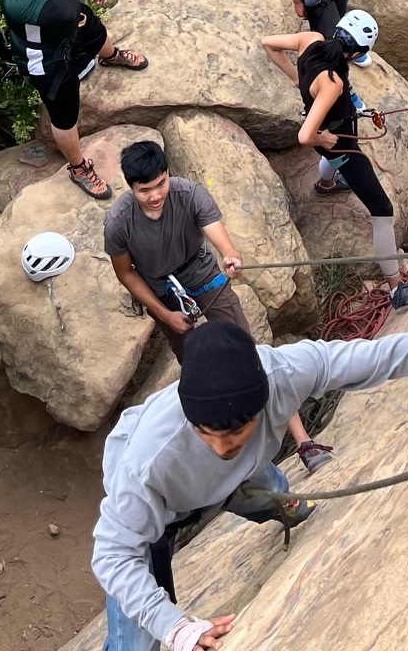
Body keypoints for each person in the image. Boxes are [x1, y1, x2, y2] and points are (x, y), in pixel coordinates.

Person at [94, 320, 408, 651]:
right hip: (161, 511)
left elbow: (374, 357)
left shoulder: (285, 374)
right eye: (206, 434)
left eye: (233, 432)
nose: (220, 446)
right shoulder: (146, 462)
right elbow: (113, 555)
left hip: (243, 477)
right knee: (137, 641)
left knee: (263, 486)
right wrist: (174, 626)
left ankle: (282, 503)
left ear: (262, 403)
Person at [104, 140, 332, 476]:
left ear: (168, 174)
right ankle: (241, 458)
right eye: (144, 190)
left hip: (202, 274)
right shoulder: (119, 222)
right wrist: (165, 315)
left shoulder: (188, 194)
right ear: (131, 187)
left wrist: (230, 255)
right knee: (200, 370)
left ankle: (303, 441)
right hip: (162, 291)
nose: (154, 195)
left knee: (249, 352)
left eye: (160, 184)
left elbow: (216, 233)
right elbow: (125, 273)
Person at [261, 12, 408, 312]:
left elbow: (267, 43)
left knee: (332, 160)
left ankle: (326, 184)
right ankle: (397, 293)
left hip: (331, 134)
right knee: (382, 210)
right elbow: (304, 136)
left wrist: (296, 77)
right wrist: (324, 139)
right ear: (358, 53)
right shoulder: (332, 82)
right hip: (338, 143)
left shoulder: (310, 40)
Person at [0, 0, 148, 200]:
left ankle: (112, 55)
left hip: (70, 23)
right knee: (65, 114)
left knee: (93, 29)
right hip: (46, 57)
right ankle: (79, 168)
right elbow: (62, 11)